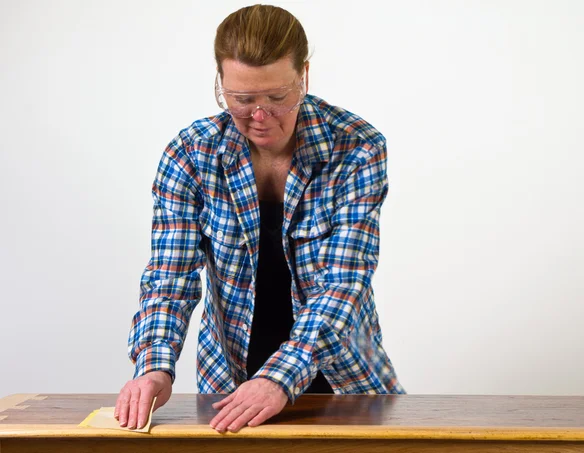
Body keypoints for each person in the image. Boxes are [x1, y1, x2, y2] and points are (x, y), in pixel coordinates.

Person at [114, 3, 405, 433]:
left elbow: (344, 282)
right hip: (231, 380)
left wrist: (277, 377)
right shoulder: (191, 154)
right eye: (243, 100)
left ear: (303, 75)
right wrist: (155, 364)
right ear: (220, 83)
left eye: (277, 97)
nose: (261, 116)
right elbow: (169, 277)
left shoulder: (358, 147)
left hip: (345, 375)